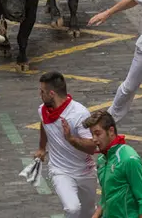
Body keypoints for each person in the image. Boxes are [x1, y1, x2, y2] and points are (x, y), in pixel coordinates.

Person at [34, 72, 97, 218]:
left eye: (42, 92)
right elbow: (44, 124)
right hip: (60, 170)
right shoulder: (43, 110)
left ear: (52, 93)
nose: (40, 94)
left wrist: (71, 139)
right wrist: (42, 148)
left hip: (85, 172)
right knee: (72, 209)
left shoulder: (79, 114)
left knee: (88, 213)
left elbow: (91, 147)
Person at [84, 110, 142, 218]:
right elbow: (106, 196)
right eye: (92, 134)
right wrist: (96, 215)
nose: (94, 139)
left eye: (98, 134)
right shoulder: (102, 160)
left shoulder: (129, 159)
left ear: (111, 131)